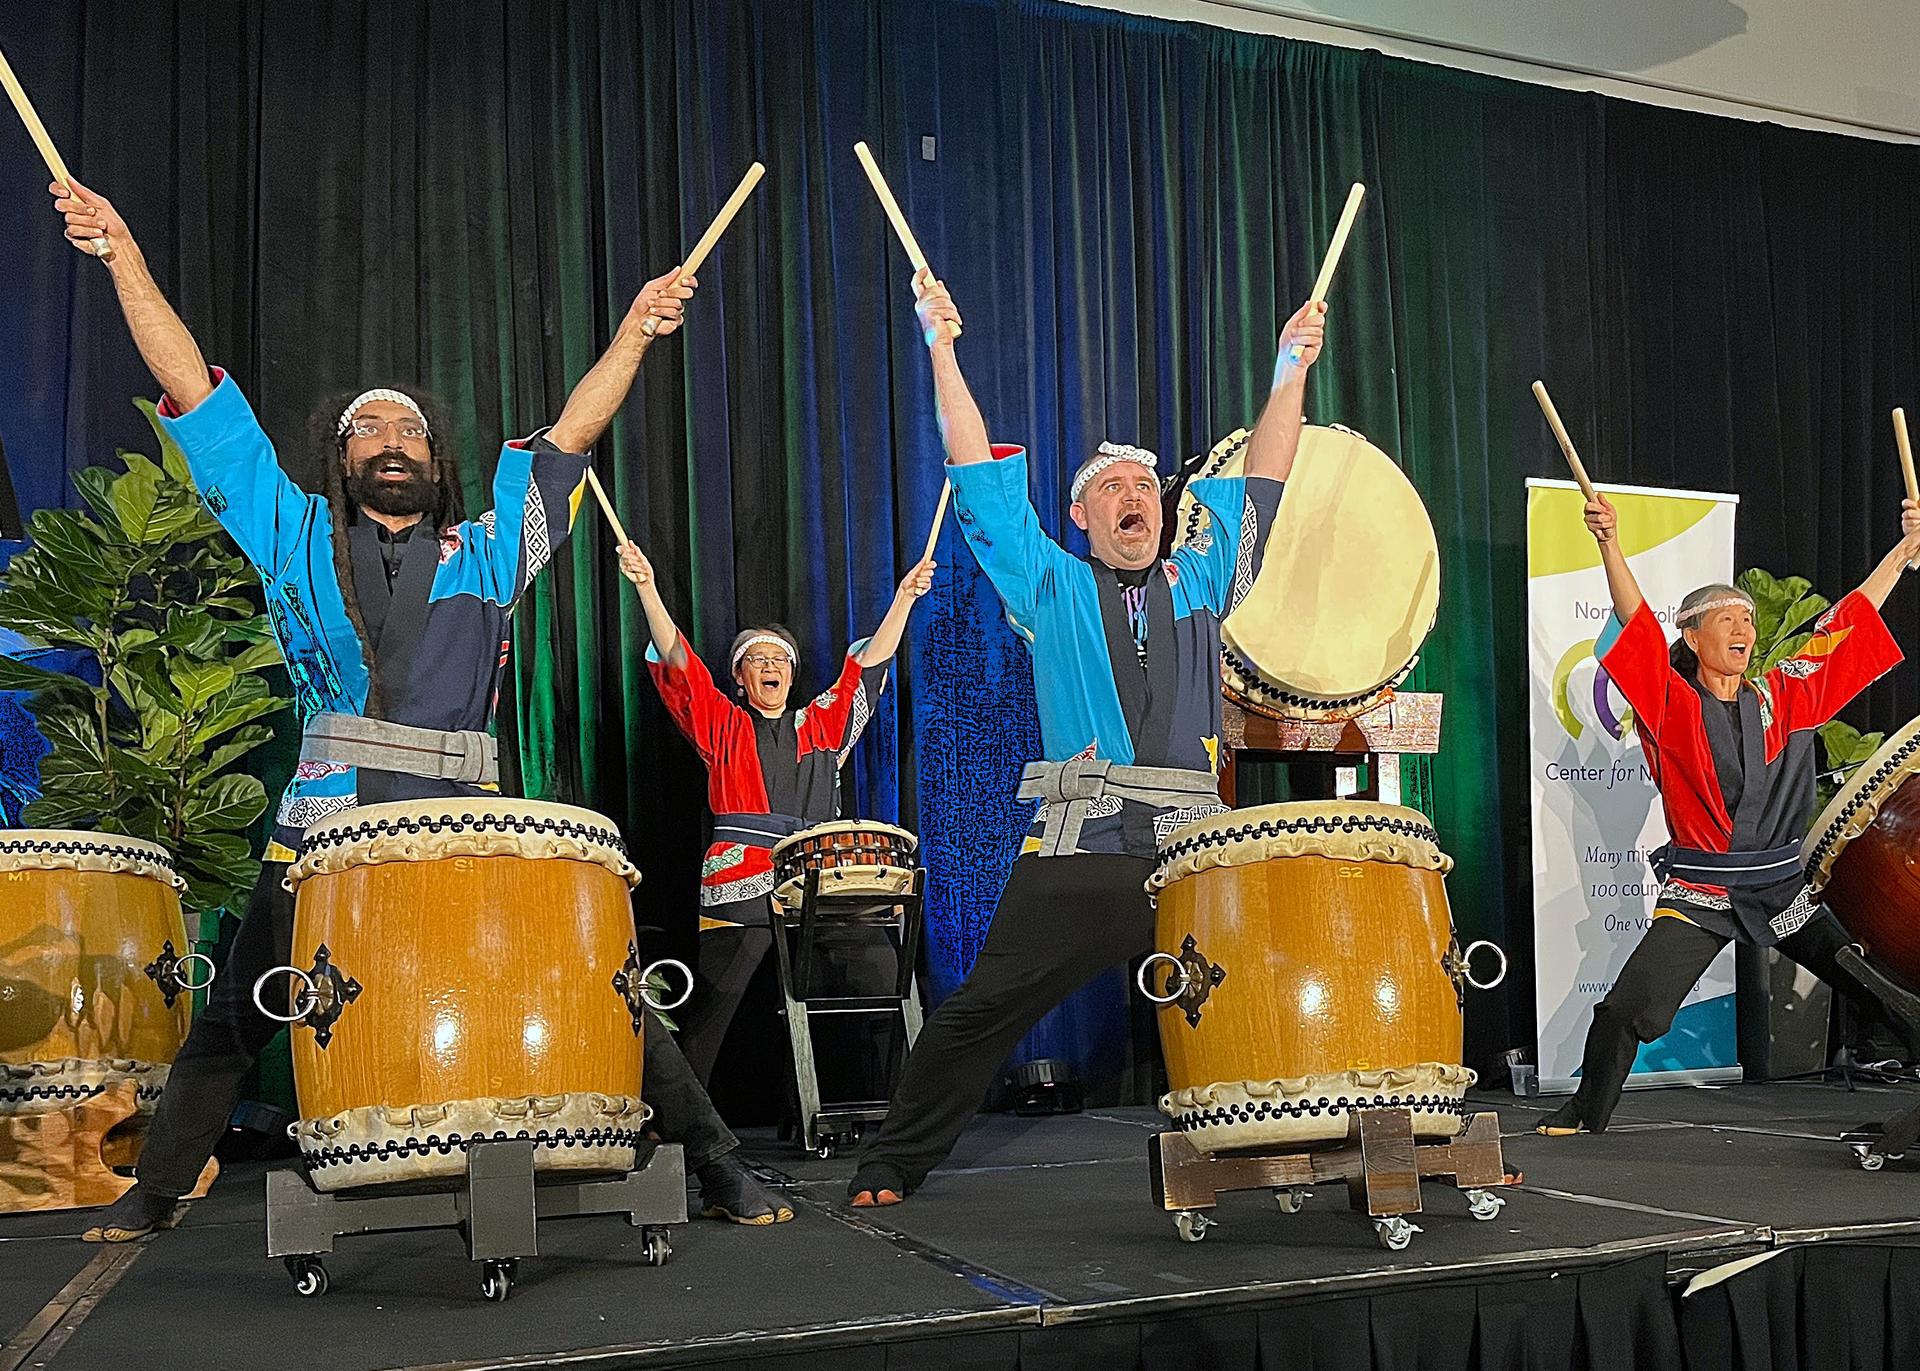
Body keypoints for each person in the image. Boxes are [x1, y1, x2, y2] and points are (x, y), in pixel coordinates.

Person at [51, 179, 789, 1238]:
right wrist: (121, 252)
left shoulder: (489, 554)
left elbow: (571, 437)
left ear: (437, 464)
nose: (390, 435)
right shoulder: (290, 532)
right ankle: (158, 1190)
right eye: (367, 428)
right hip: (324, 818)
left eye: (410, 426)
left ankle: (719, 1167)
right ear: (340, 458)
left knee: (610, 990)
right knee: (230, 1018)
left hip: (458, 821)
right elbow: (199, 400)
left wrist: (634, 330)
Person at [845, 271, 1326, 1205]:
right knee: (977, 1012)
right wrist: (941, 348)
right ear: (1083, 516)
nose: (1131, 493)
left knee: (1279, 994)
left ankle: (1322, 1144)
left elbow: (1268, 475)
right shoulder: (1052, 587)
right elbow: (979, 476)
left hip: (1191, 854)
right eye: (1112, 486)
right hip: (1081, 850)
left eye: (1144, 482)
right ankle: (890, 1164)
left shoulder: (1200, 582)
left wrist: (1287, 371)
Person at [1540, 489, 1920, 1135]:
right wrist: (1609, 542)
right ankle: (1586, 1107)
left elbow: (1846, 626)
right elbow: (1634, 625)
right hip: (1704, 889)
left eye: (1747, 619)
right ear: (1690, 635)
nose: (1744, 629)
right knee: (1628, 1009)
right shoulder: (1669, 703)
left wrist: (1904, 551)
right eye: (1727, 618)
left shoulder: (1784, 696)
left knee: (1871, 982)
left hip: (1779, 885)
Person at [616, 541, 934, 1085]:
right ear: (740, 678)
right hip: (741, 871)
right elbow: (678, 661)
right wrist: (646, 586)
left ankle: (912, 1108)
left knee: (886, 980)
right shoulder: (722, 723)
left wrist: (903, 599)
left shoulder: (821, 724)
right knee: (714, 1007)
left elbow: (870, 668)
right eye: (757, 661)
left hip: (821, 873)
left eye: (780, 659)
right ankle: (681, 1131)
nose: (771, 666)